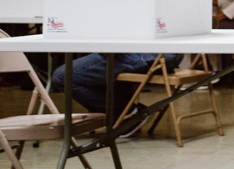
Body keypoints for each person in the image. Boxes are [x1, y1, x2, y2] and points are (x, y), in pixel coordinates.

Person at [52, 52, 181, 134]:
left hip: (147, 53)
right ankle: (125, 113)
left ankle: (127, 114)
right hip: (169, 52)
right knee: (99, 63)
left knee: (63, 77)